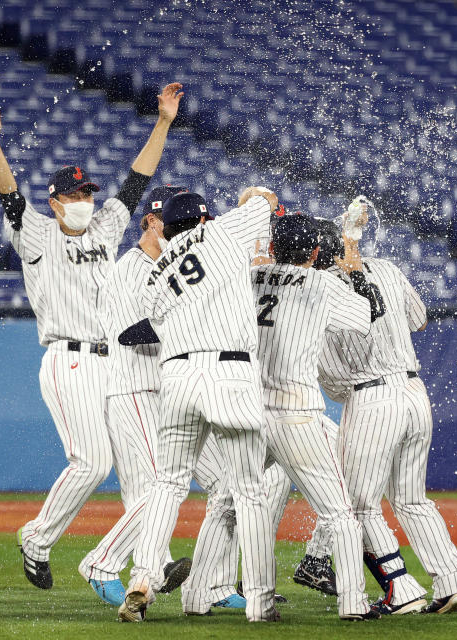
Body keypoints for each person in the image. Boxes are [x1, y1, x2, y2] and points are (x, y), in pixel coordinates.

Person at [0, 82, 184, 590]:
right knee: (91, 462)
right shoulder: (37, 233)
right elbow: (8, 194)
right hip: (69, 358)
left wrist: (162, 122)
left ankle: (149, 564)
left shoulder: (105, 229)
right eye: (74, 194)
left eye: (87, 193)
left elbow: (136, 181)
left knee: (141, 473)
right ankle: (38, 540)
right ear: (54, 201)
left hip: (115, 362)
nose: (85, 201)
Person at [184, 214, 381, 621]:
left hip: (248, 409)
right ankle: (353, 603)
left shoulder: (248, 276)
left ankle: (196, 596)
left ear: (273, 246)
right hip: (296, 412)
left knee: (224, 504)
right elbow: (368, 315)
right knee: (339, 513)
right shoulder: (322, 283)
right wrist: (352, 269)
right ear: (313, 252)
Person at [116, 189, 280, 623]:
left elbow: (148, 326)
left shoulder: (154, 276)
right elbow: (265, 199)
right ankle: (260, 603)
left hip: (177, 378)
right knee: (248, 491)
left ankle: (143, 577)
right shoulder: (223, 232)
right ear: (205, 218)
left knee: (168, 485)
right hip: (230, 371)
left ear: (165, 229)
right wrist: (252, 198)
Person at [317, 199, 457, 615]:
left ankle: (401, 590)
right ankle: (454, 583)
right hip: (414, 391)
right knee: (412, 500)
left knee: (355, 506)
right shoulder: (387, 269)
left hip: (371, 396)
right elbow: (419, 319)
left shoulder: (321, 290)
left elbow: (333, 380)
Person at [77, 185, 192, 606]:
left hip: (161, 392)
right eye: (167, 221)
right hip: (135, 389)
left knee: (151, 491)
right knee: (157, 492)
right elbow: (132, 335)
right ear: (150, 222)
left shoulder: (173, 266)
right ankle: (100, 563)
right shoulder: (130, 268)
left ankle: (162, 570)